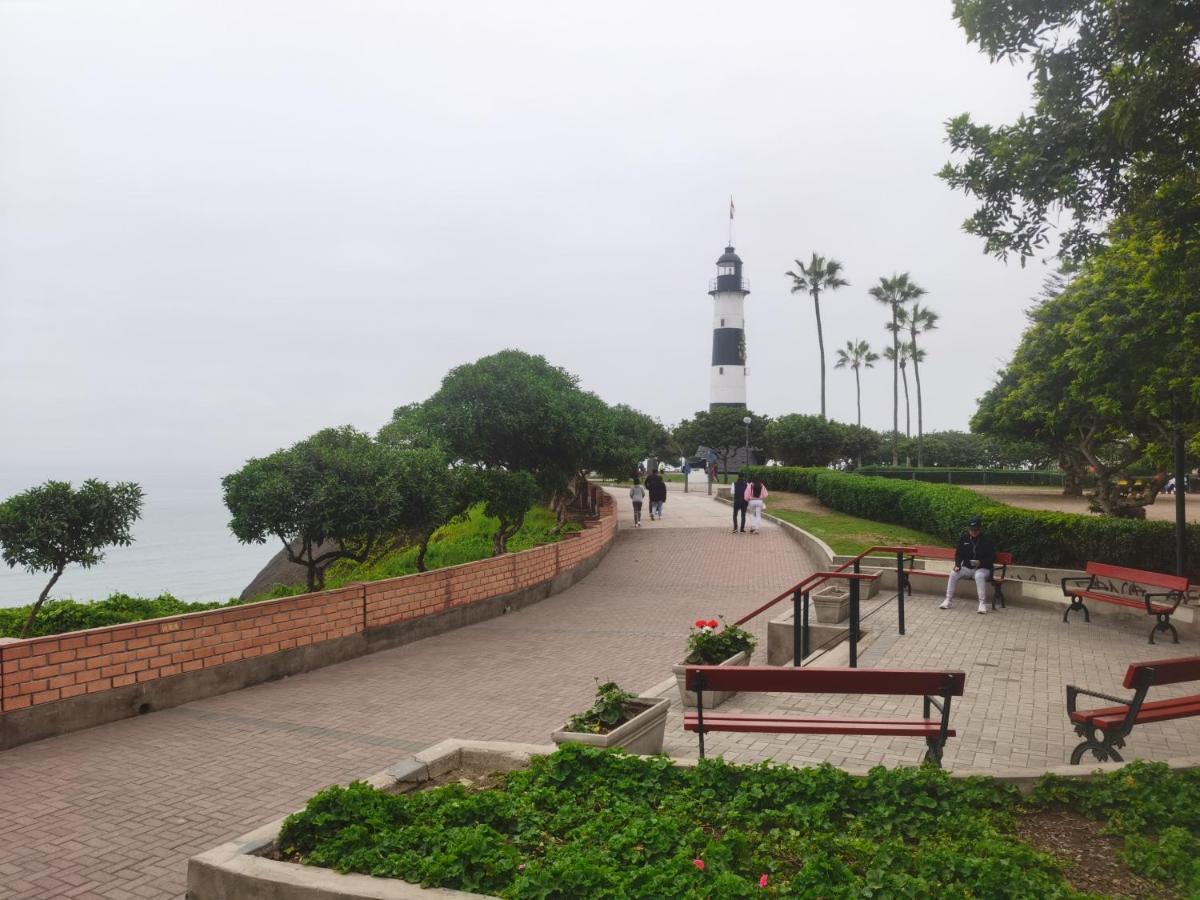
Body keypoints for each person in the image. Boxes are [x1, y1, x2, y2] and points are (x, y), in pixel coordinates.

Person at [940, 515, 996, 615]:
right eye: (971, 530)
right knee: (953, 573)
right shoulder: (964, 538)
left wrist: (981, 562)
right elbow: (958, 554)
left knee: (979, 576)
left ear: (980, 529)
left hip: (983, 569)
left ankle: (982, 603)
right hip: (967, 567)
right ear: (968, 529)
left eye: (976, 530)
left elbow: (992, 558)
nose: (973, 532)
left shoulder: (987, 540)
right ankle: (948, 600)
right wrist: (957, 565)